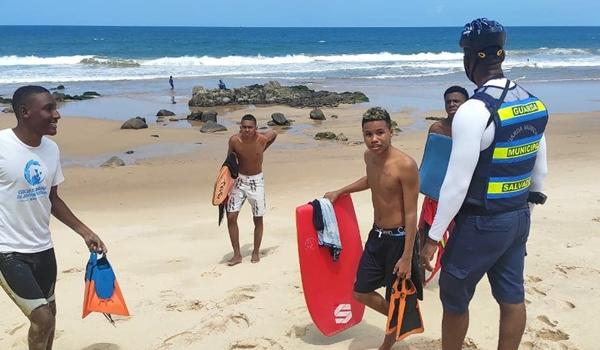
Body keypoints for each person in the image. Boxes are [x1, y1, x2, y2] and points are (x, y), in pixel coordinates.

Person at [421, 19, 549, 350]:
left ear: (470, 60)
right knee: (511, 296)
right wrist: (522, 208)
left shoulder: (474, 110)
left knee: (453, 294)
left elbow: (457, 184)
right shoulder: (532, 102)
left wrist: (433, 237)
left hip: (481, 220)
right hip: (519, 215)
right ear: (500, 55)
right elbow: (540, 171)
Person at [0, 86, 107, 350]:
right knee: (42, 318)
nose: (57, 114)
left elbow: (52, 198)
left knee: (51, 314)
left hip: (43, 249)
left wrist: (85, 231)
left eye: (55, 107)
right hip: (8, 251)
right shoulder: (2, 146)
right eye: (48, 108)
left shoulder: (51, 150)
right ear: (25, 112)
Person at [324, 107, 419, 350]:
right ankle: (400, 320)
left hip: (400, 240)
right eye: (368, 134)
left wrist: (407, 257)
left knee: (394, 294)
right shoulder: (369, 157)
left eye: (380, 132)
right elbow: (372, 180)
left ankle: (387, 342)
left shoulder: (406, 165)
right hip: (377, 236)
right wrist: (341, 191)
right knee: (360, 291)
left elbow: (411, 213)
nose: (374, 139)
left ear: (391, 131)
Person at [417, 85, 468, 283]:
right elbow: (429, 162)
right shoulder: (436, 128)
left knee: (456, 238)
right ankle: (419, 277)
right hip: (434, 193)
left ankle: (452, 276)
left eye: (457, 101)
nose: (452, 104)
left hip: (458, 195)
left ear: (466, 104)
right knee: (424, 233)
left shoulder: (471, 131)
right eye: (448, 101)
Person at [225, 114, 277, 266]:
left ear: (255, 128)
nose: (247, 130)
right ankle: (237, 255)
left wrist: (263, 148)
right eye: (244, 127)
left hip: (256, 182)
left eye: (250, 127)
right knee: (231, 217)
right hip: (239, 181)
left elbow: (274, 133)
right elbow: (229, 160)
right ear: (240, 127)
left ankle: (255, 252)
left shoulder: (261, 139)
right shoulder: (234, 140)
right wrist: (225, 181)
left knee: (258, 218)